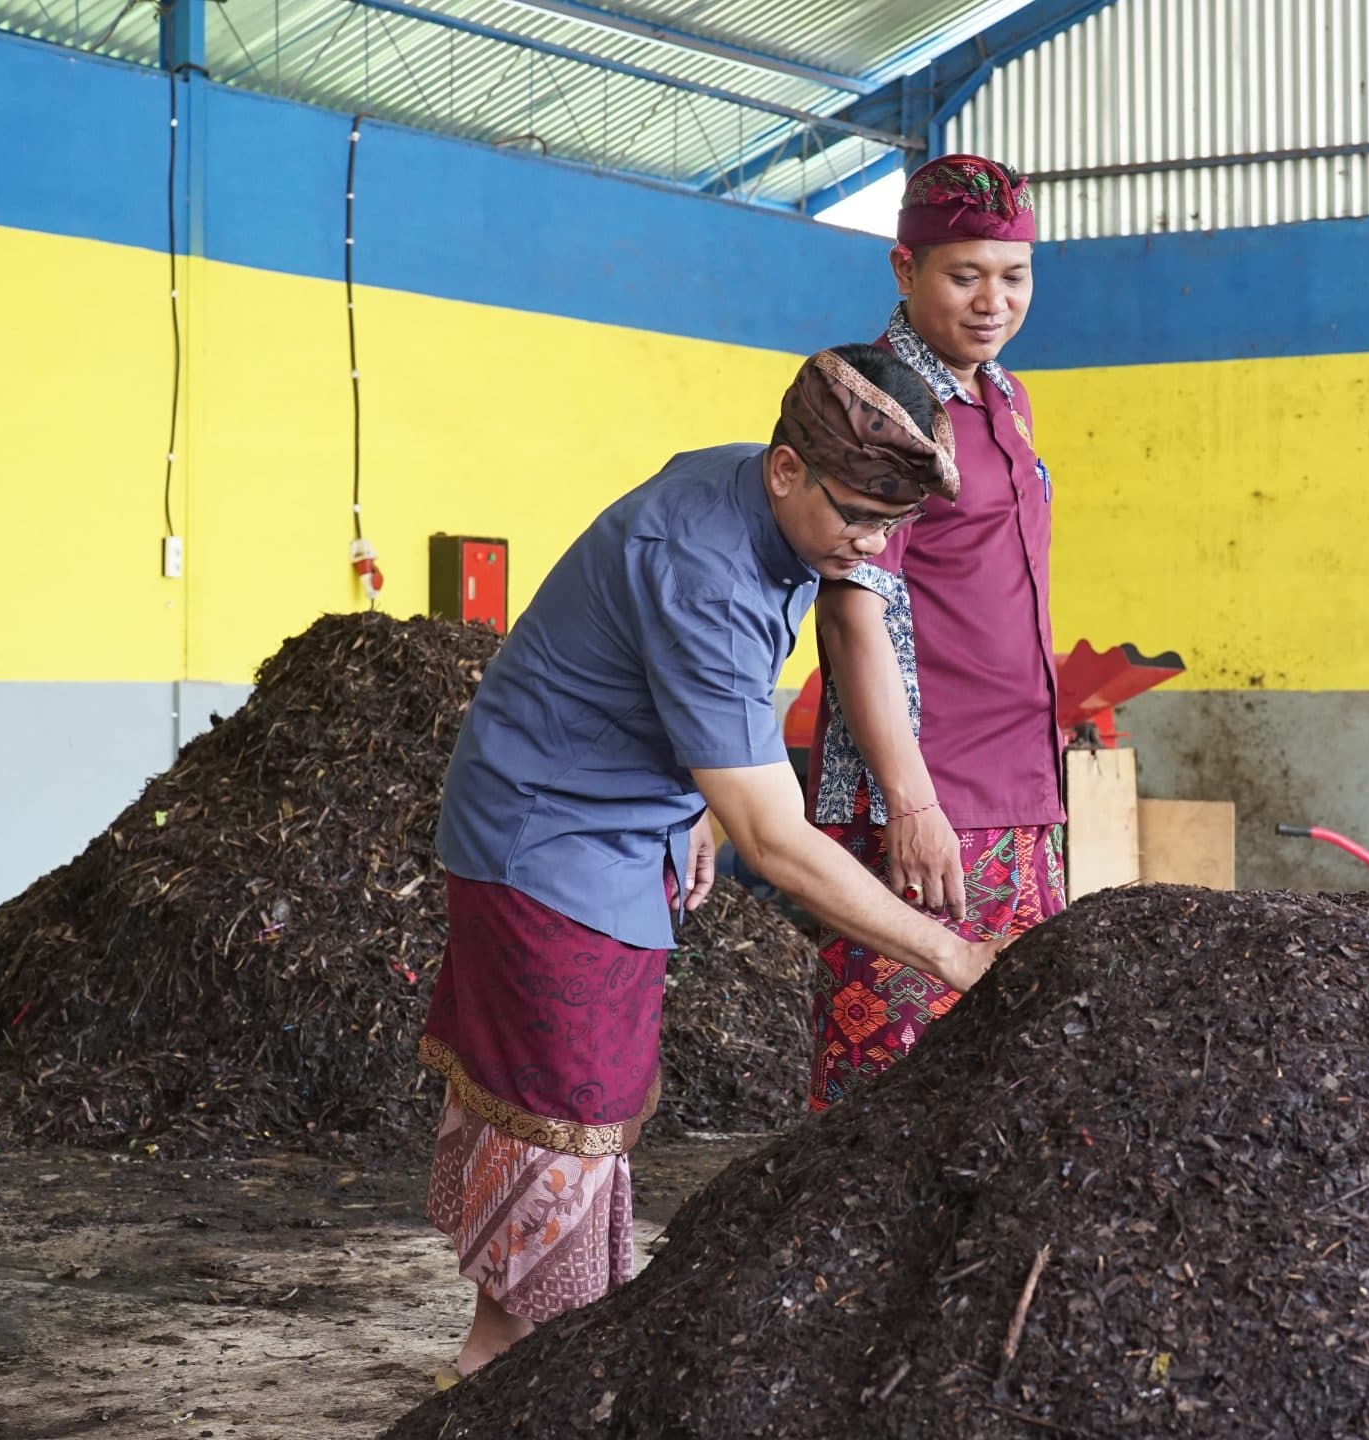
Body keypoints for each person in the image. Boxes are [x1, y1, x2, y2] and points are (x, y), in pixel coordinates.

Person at [417, 343, 1002, 1382]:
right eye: (857, 518)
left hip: (618, 821)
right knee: (561, 1105)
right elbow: (772, 840)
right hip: (545, 837)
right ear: (787, 469)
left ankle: (530, 1351)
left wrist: (692, 799)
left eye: (891, 526)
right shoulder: (703, 566)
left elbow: (676, 688)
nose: (870, 548)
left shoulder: (757, 493)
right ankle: (499, 1366)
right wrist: (950, 956)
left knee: (586, 1101)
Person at [805, 156, 1063, 1114]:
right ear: (905, 268)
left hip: (1021, 787)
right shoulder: (881, 404)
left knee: (1008, 1075)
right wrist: (909, 804)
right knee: (892, 1086)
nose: (994, 302)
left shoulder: (1007, 398)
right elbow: (852, 607)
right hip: (927, 794)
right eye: (965, 276)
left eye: (1014, 275)